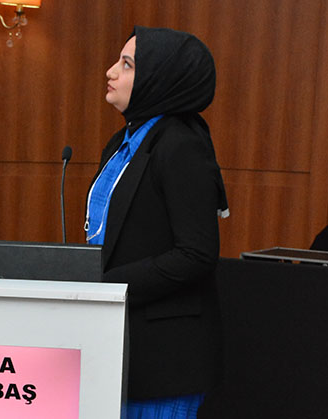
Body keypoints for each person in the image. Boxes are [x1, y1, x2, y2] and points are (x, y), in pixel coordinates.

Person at [85, 26, 229, 419]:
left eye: (127, 65)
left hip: (165, 357)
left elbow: (196, 254)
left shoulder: (181, 145)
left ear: (159, 77)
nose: (111, 72)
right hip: (118, 343)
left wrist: (106, 284)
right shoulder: (122, 142)